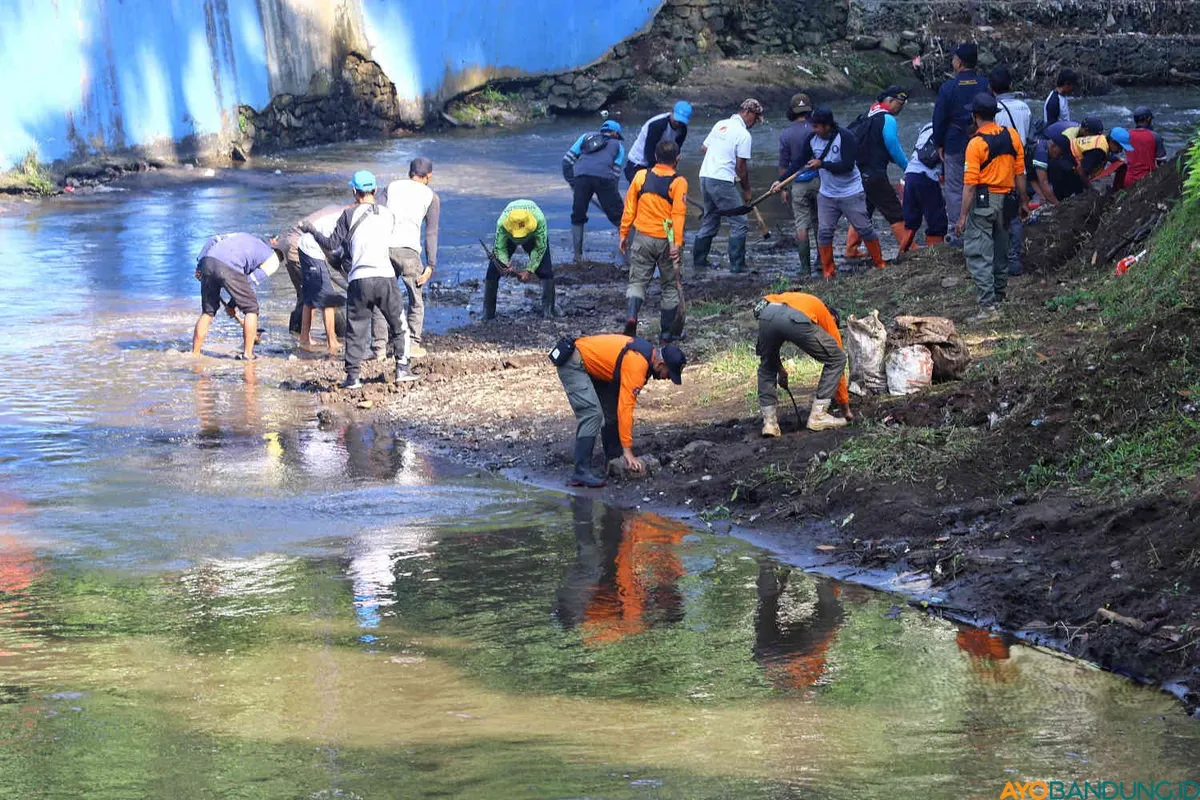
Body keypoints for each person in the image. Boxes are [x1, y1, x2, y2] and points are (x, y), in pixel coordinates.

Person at [304, 170, 417, 388]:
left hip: (359, 279)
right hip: (385, 276)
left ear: (355, 192)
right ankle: (402, 369)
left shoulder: (348, 215)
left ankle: (353, 377)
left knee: (356, 329)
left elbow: (331, 244)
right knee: (398, 324)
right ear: (375, 190)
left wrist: (311, 231)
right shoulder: (388, 215)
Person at [555, 334, 686, 487]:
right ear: (660, 364)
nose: (667, 378)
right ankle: (580, 472)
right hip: (573, 363)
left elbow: (618, 407)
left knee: (610, 412)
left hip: (594, 367)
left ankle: (613, 460)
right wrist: (628, 451)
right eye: (669, 374)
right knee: (592, 415)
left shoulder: (646, 357)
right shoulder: (638, 364)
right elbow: (625, 408)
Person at [955, 94, 1029, 321]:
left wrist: (962, 216)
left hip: (984, 201)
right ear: (994, 114)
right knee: (1001, 250)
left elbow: (970, 185)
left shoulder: (976, 144)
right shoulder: (1012, 136)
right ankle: (998, 297)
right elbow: (1020, 173)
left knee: (979, 253)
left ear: (975, 116)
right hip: (1008, 201)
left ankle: (988, 308)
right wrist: (1024, 202)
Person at [800, 107, 885, 278]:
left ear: (827, 126)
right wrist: (780, 181)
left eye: (816, 126)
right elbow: (799, 161)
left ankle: (879, 263)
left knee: (864, 229)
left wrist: (822, 164)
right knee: (824, 232)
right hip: (827, 194)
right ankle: (828, 271)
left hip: (851, 192)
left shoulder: (846, 137)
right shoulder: (812, 139)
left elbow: (846, 166)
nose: (813, 129)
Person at [753, 292, 853, 436]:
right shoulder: (826, 316)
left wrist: (780, 370)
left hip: (767, 315)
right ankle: (818, 416)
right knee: (837, 358)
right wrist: (845, 409)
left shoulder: (799, 299)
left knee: (767, 367)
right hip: (794, 318)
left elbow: (771, 351)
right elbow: (837, 360)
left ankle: (770, 424)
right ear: (833, 318)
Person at [619, 140, 688, 341]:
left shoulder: (641, 176)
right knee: (670, 286)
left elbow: (629, 207)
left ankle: (632, 317)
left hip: (642, 238)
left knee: (637, 282)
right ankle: (667, 333)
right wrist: (677, 243)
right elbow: (678, 214)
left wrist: (624, 233)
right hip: (667, 241)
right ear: (677, 159)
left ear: (656, 157)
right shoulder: (679, 182)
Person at [693, 98, 764, 273]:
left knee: (710, 219)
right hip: (721, 180)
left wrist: (721, 153)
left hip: (705, 176)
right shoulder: (744, 135)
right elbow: (741, 167)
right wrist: (747, 190)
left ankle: (699, 264)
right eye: (755, 118)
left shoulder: (721, 124)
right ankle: (737, 266)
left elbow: (704, 148)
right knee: (740, 223)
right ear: (747, 113)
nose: (755, 123)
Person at [192, 233, 283, 360]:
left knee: (208, 312)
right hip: (229, 266)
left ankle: (195, 353)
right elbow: (249, 282)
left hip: (208, 261)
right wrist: (232, 305)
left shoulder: (245, 237)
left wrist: (200, 266)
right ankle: (248, 354)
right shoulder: (273, 260)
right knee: (251, 308)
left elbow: (213, 239)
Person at [933, 43, 989, 246]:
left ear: (959, 62)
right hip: (982, 141)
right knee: (982, 183)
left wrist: (939, 143)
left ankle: (956, 230)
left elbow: (939, 118)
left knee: (955, 187)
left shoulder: (948, 87)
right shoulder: (985, 84)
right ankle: (983, 223)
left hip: (955, 142)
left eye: (954, 58)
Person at [844, 85, 909, 259]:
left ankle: (851, 248)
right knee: (894, 210)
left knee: (863, 211)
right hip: (875, 174)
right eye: (900, 104)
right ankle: (908, 247)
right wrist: (908, 167)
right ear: (890, 101)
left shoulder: (867, 115)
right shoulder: (887, 119)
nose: (901, 108)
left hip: (858, 173)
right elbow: (893, 146)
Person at [384, 157, 439, 358]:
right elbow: (431, 232)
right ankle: (413, 344)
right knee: (415, 299)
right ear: (429, 176)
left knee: (383, 298)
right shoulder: (431, 196)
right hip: (409, 252)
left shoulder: (391, 187)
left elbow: (376, 213)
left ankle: (379, 347)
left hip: (385, 248)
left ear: (410, 173)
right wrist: (431, 264)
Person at [990, 67, 1032, 276]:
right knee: (1015, 212)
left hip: (999, 166)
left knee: (994, 213)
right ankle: (1014, 260)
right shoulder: (1025, 107)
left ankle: (997, 259)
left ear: (991, 87)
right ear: (1011, 85)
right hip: (1019, 161)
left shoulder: (993, 110)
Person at [563, 120, 626, 261]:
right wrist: (611, 197)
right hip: (605, 179)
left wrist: (573, 182)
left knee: (577, 216)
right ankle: (627, 255)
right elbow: (615, 175)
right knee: (620, 217)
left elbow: (566, 161)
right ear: (615, 133)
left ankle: (577, 256)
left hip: (581, 178)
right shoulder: (618, 146)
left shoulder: (585, 137)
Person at [484, 200, 557, 320]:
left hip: (532, 236)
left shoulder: (539, 220)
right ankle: (488, 314)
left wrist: (529, 270)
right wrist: (504, 263)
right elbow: (500, 248)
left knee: (545, 270)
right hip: (508, 236)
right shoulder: (502, 223)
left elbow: (540, 248)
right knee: (493, 271)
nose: (520, 238)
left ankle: (549, 311)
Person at [774, 92, 819, 276]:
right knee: (820, 222)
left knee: (801, 225)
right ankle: (823, 262)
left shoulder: (786, 134)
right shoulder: (817, 128)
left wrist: (783, 188)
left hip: (798, 184)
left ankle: (805, 268)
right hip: (820, 181)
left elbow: (783, 165)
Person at [296, 205, 348, 355]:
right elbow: (336, 248)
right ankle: (332, 341)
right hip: (311, 249)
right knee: (328, 300)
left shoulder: (345, 215)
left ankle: (304, 338)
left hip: (306, 246)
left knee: (309, 297)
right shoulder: (348, 220)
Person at [901, 121, 948, 250]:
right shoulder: (949, 129)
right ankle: (933, 256)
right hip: (927, 177)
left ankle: (901, 254)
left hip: (910, 174)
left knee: (911, 221)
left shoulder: (927, 126)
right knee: (937, 223)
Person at [625, 101, 692, 184]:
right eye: (677, 119)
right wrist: (655, 174)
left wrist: (671, 171)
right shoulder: (658, 125)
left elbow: (675, 151)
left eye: (681, 121)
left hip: (659, 165)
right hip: (638, 163)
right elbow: (649, 150)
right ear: (672, 112)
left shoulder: (682, 130)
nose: (678, 123)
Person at [1124, 106, 1168, 186]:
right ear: (1148, 119)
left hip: (1128, 180)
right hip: (1147, 180)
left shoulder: (1126, 135)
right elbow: (1162, 163)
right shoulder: (1155, 136)